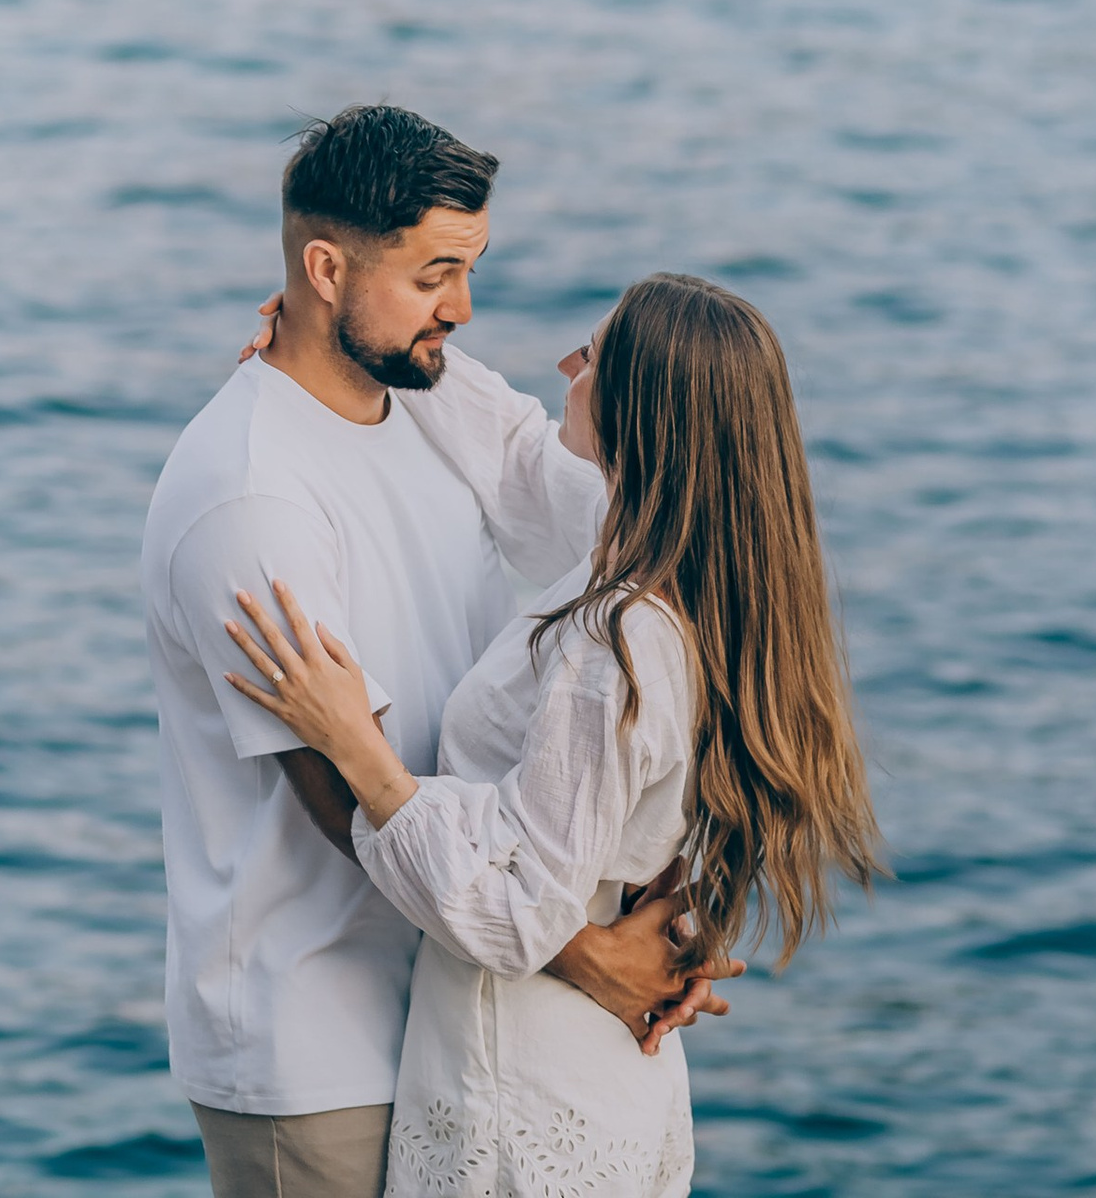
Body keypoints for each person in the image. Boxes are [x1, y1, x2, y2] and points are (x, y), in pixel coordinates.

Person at [142, 110, 724, 1198]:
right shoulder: (253, 495)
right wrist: (584, 954)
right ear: (327, 268)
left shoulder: (419, 402)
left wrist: (663, 914)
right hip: (318, 1043)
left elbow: (608, 533)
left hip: (461, 1014)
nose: (460, 307)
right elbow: (331, 782)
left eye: (468, 268)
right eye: (432, 276)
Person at [224, 273, 883, 1198]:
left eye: (592, 360)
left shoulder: (613, 640)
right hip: (600, 1070)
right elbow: (515, 454)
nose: (567, 369)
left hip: (519, 1087)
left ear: (638, 418)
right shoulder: (695, 581)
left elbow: (520, 910)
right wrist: (358, 331)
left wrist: (361, 754)